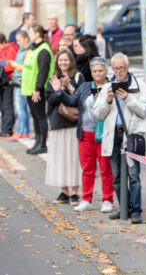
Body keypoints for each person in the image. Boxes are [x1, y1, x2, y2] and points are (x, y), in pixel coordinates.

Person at [94, 52, 146, 224]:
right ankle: (124, 207)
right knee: (117, 176)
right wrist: (108, 101)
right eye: (116, 68)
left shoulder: (139, 85)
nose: (119, 71)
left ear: (128, 68)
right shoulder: (107, 87)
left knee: (133, 175)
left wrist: (128, 99)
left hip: (131, 136)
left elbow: (145, 111)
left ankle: (135, 210)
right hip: (113, 135)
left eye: (122, 68)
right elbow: (98, 114)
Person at [52, 57, 114, 212]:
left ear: (106, 71)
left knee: (106, 169)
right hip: (85, 133)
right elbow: (72, 100)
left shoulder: (111, 87)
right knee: (87, 168)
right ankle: (86, 198)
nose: (97, 74)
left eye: (100, 71)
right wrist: (59, 91)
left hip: (104, 133)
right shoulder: (86, 86)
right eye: (94, 71)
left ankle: (108, 199)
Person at [45, 49, 85, 205]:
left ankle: (75, 192)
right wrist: (58, 90)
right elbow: (50, 100)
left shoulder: (78, 77)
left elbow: (80, 97)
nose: (63, 63)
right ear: (57, 62)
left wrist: (67, 88)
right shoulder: (53, 78)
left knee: (74, 157)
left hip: (73, 122)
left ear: (71, 61)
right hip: (58, 122)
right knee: (61, 158)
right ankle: (64, 191)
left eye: (66, 60)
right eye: (60, 60)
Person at [21, 25, 54, 154]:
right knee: (35, 116)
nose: (29, 33)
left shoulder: (44, 50)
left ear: (37, 34)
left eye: (30, 31)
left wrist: (37, 89)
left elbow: (43, 72)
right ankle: (37, 142)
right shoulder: (34, 49)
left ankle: (42, 144)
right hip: (30, 89)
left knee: (40, 117)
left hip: (37, 89)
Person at [7, 31, 31, 140]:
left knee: (20, 108)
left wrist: (15, 65)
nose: (17, 43)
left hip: (21, 82)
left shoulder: (28, 52)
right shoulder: (21, 51)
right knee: (23, 109)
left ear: (26, 39)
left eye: (19, 40)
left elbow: (27, 68)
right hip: (19, 81)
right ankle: (24, 132)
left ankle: (20, 131)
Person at [0, 33, 18, 137]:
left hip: (8, 80)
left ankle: (7, 129)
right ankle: (4, 128)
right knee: (2, 106)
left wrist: (2, 65)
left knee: (7, 106)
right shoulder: (2, 50)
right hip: (2, 81)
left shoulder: (10, 50)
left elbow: (11, 66)